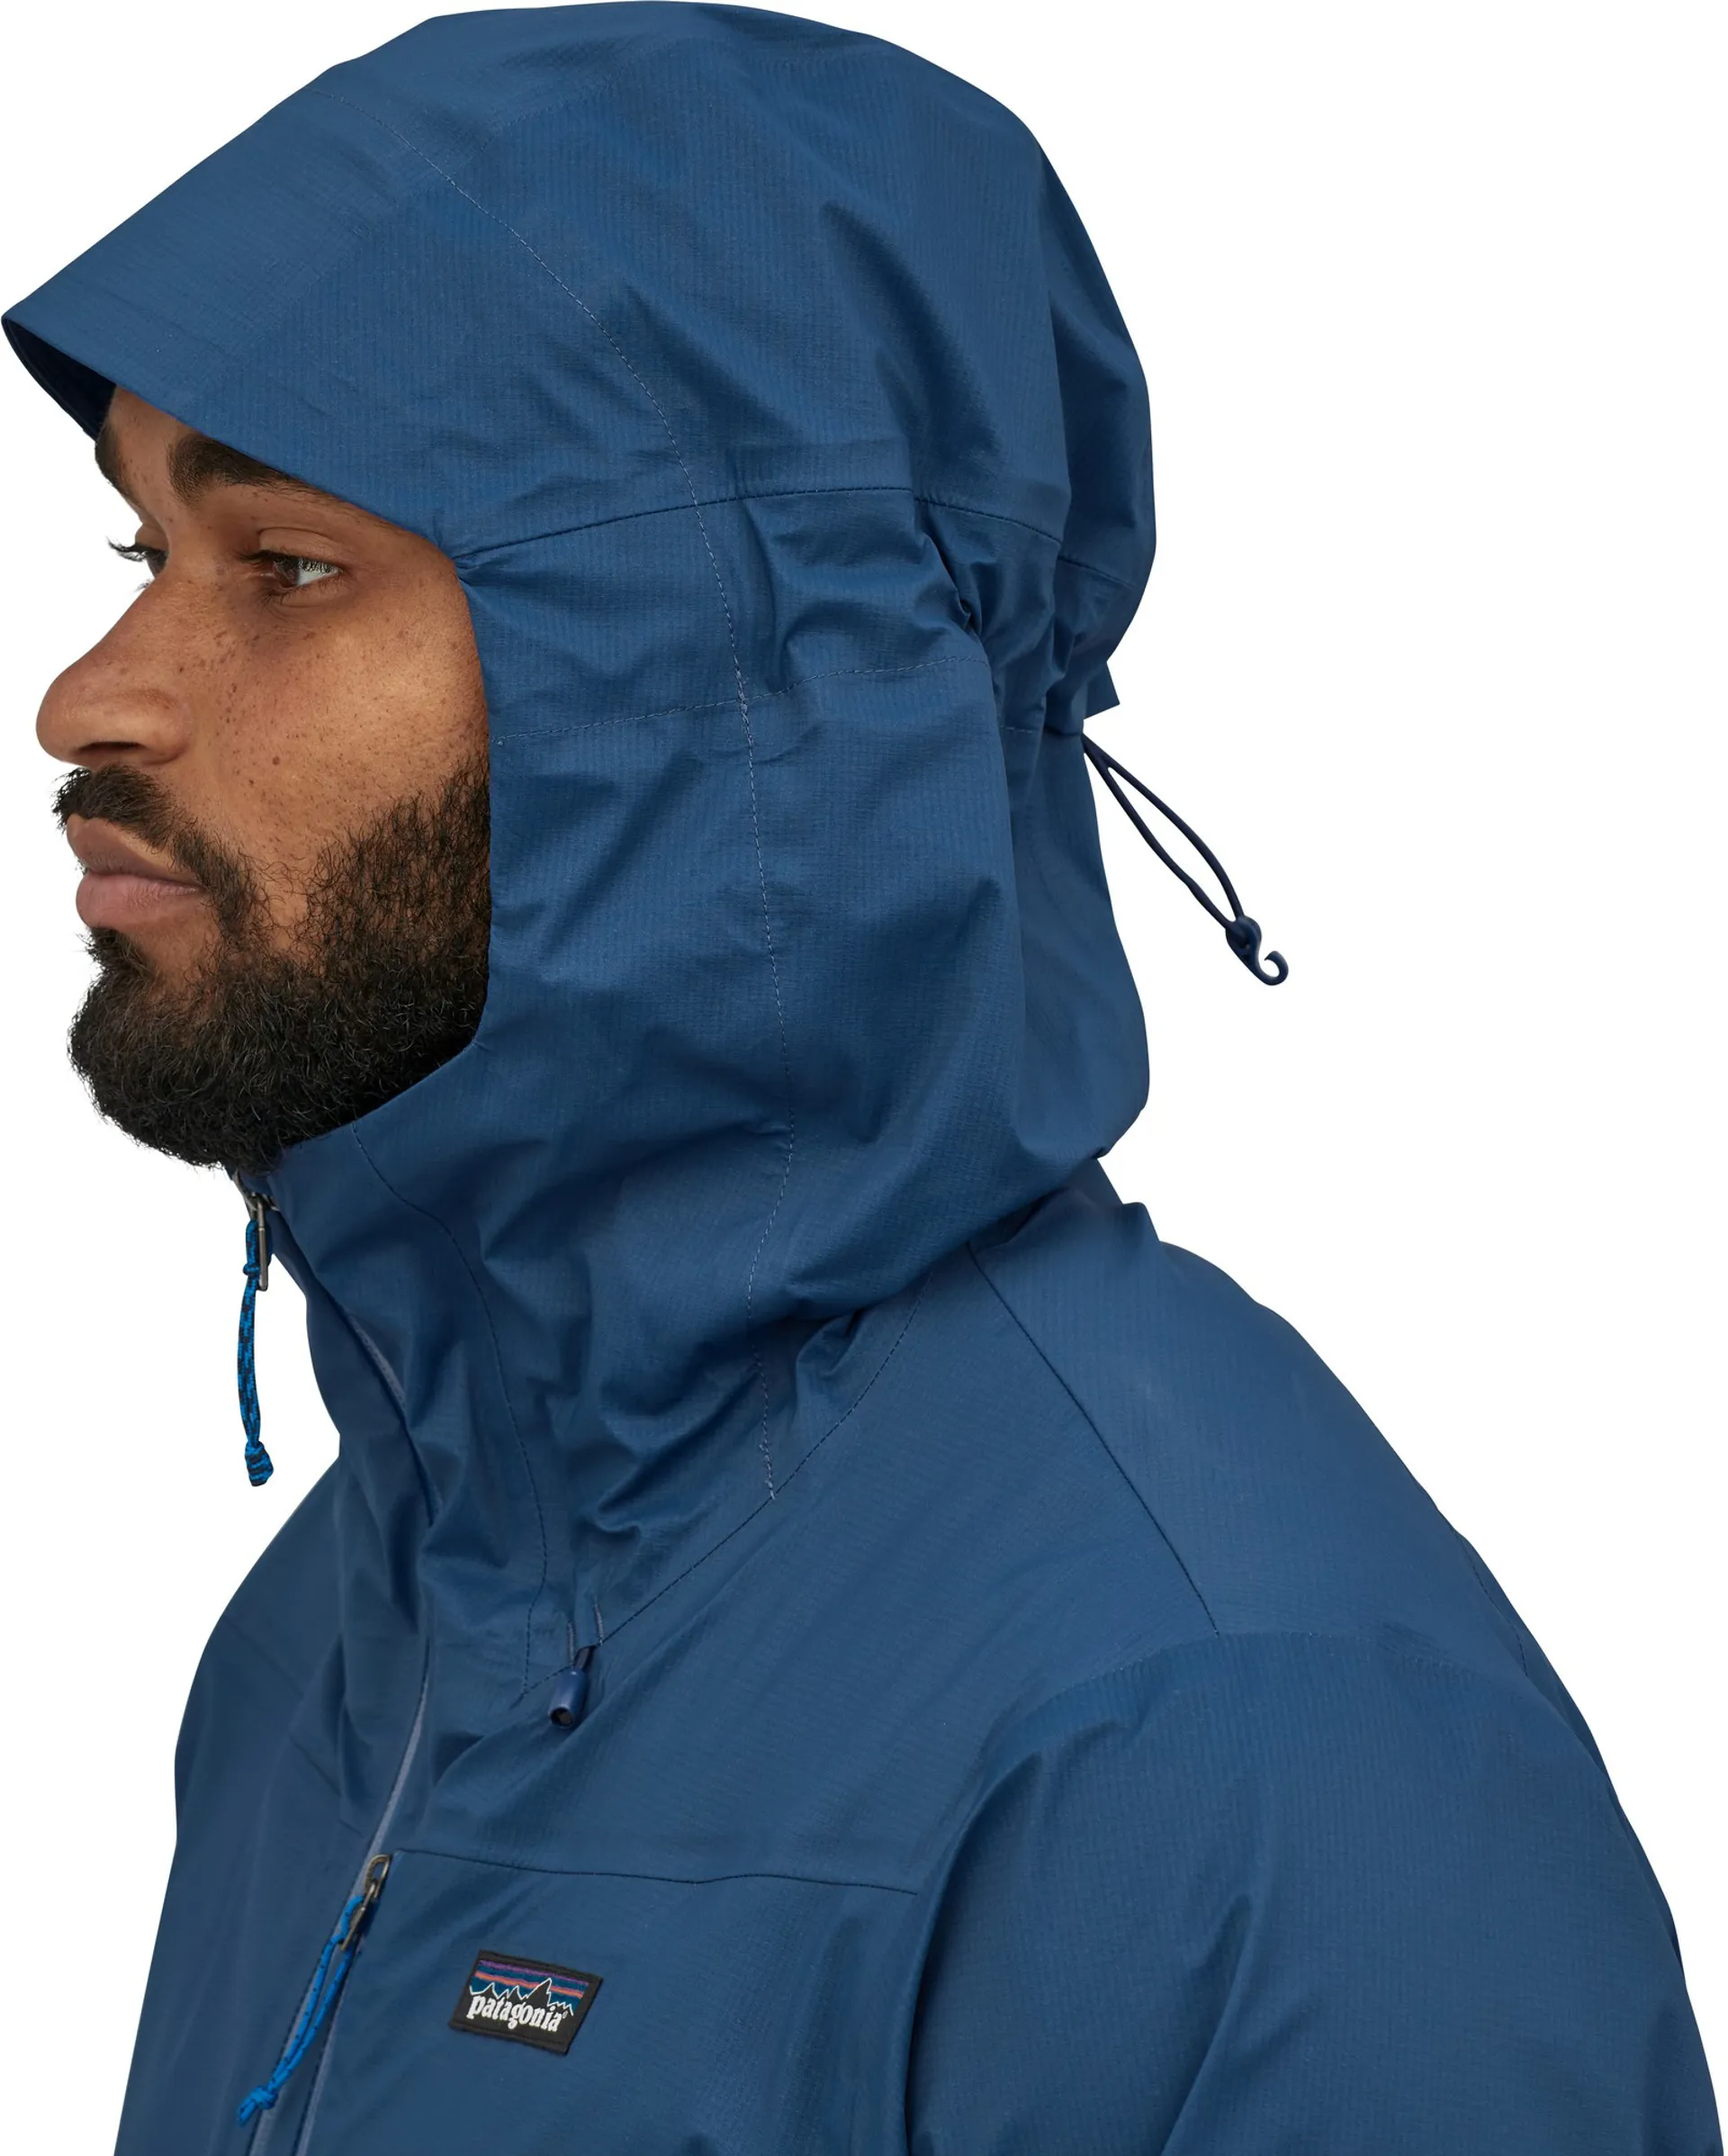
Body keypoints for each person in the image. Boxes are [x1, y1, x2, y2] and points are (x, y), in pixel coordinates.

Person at [7, 6, 1718, 2152]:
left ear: (723, 678)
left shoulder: (1230, 1745)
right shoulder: (346, 1634)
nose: (90, 698)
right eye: (140, 556)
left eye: (289, 568)